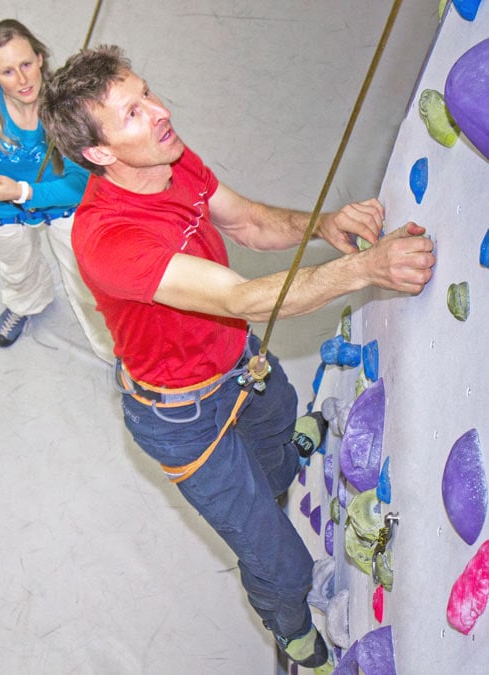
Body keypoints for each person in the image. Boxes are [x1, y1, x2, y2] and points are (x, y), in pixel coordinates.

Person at [39, 46, 434, 668]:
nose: (162, 112)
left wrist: (323, 224)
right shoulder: (109, 240)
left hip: (236, 362)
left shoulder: (169, 156)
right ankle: (295, 634)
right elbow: (243, 296)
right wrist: (361, 268)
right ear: (100, 153)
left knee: (280, 426)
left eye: (149, 93)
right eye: (135, 113)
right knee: (279, 558)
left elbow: (248, 222)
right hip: (181, 418)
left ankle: (274, 479)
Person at [0, 19, 113, 361]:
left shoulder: (67, 103)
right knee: (17, 269)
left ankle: (111, 342)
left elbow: (81, 184)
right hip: (3, 207)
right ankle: (27, 302)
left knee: (87, 274)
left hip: (60, 199)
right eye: (9, 72)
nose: (23, 79)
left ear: (41, 58)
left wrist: (23, 191)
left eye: (27, 64)